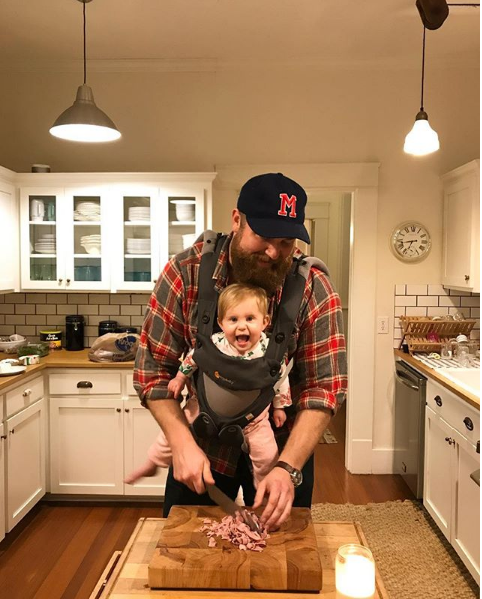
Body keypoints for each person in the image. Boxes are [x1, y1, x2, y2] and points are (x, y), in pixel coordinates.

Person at [134, 172, 347, 530]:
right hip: (199, 448)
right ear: (237, 220)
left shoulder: (313, 287)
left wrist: (287, 467)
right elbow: (152, 372)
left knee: (281, 558)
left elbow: (325, 388)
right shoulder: (185, 272)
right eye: (263, 236)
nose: (273, 252)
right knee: (188, 555)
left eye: (286, 241)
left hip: (280, 452)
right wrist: (180, 442)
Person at [126, 283, 291, 486]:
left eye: (250, 319)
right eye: (233, 319)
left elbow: (280, 379)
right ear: (221, 323)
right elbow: (193, 358)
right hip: (204, 408)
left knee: (267, 453)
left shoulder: (269, 350)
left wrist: (280, 406)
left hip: (253, 419)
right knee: (176, 428)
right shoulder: (216, 343)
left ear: (264, 321)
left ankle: (263, 487)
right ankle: (154, 461)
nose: (241, 326)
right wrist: (180, 378)